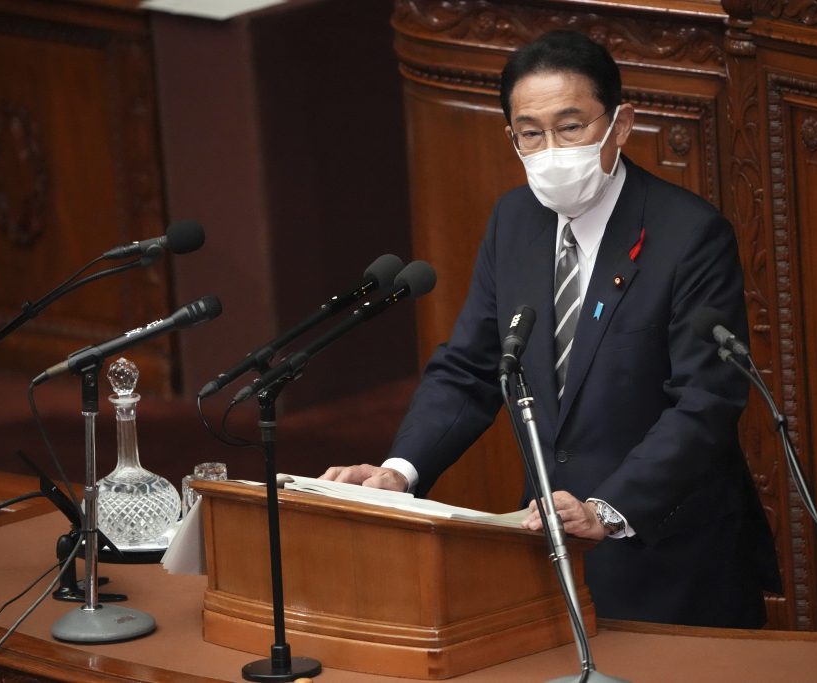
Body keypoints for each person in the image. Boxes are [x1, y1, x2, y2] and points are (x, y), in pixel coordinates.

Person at [322, 30, 781, 627]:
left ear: (620, 124)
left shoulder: (688, 234)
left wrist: (609, 508)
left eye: (571, 127)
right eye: (531, 134)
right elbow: (470, 369)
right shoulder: (514, 221)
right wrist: (399, 471)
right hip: (547, 549)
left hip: (668, 555)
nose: (551, 149)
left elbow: (705, 400)